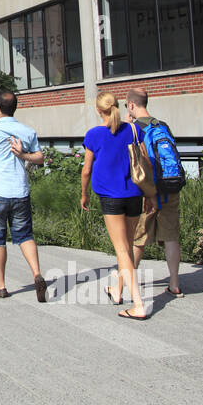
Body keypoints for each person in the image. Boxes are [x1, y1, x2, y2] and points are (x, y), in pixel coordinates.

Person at [0, 90, 47, 301]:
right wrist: (24, 155)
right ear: (15, 107)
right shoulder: (27, 131)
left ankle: (0, 285)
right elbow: (40, 158)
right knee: (25, 235)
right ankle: (37, 274)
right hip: (20, 191)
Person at [81, 91, 149, 320]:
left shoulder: (94, 134)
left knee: (121, 250)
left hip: (110, 196)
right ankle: (117, 290)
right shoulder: (133, 129)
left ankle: (138, 304)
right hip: (134, 193)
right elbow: (145, 161)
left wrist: (84, 195)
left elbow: (87, 170)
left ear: (99, 111)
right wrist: (149, 191)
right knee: (127, 248)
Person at [128, 88, 184, 298]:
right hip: (170, 188)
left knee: (138, 238)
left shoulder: (133, 129)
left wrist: (128, 125)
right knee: (171, 237)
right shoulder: (162, 126)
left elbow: (133, 163)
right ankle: (175, 283)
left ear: (131, 105)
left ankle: (127, 282)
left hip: (147, 191)